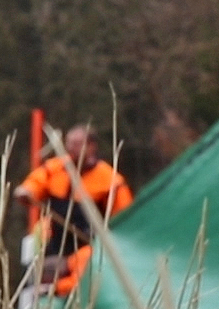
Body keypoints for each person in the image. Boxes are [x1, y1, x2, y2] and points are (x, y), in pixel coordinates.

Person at [14, 124, 131, 297]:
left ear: (91, 147)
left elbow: (125, 217)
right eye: (68, 143)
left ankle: (58, 289)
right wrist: (26, 191)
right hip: (54, 243)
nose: (70, 148)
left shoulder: (110, 181)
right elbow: (35, 182)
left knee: (86, 271)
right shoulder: (55, 168)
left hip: (89, 246)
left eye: (76, 144)